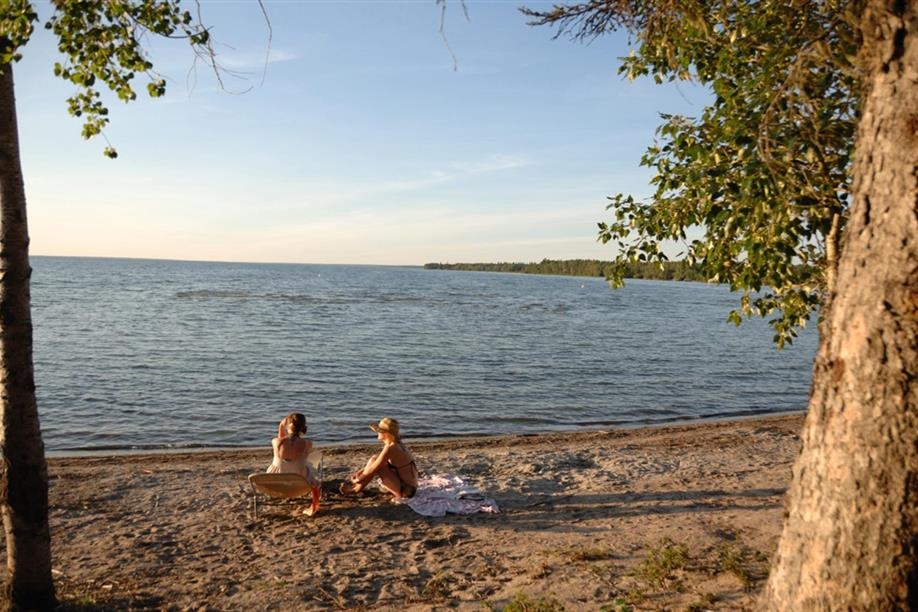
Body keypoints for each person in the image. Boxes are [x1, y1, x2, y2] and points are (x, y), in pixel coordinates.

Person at [340, 417, 419, 499]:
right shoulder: (396, 443)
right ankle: (356, 489)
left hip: (406, 491)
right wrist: (361, 472)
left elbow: (374, 468)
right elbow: (377, 461)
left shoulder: (391, 448)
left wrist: (358, 479)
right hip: (410, 486)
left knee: (378, 467)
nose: (377, 433)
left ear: (386, 433)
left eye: (379, 431)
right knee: (374, 458)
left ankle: (356, 489)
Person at [266, 412, 321, 516]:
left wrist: (281, 426)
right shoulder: (307, 444)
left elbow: (281, 441)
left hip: (275, 482)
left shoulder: (275, 442)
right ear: (303, 427)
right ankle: (313, 506)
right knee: (314, 474)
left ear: (288, 426)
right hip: (300, 483)